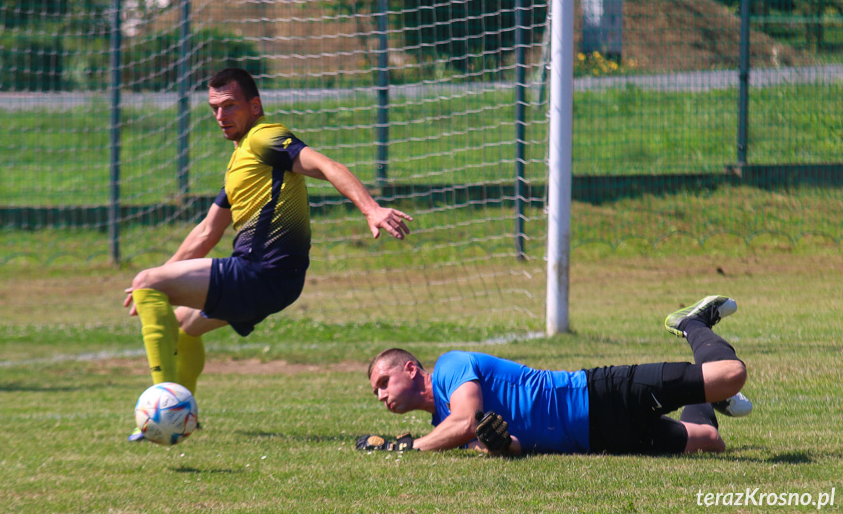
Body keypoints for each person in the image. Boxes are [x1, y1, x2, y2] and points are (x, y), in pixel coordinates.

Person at [126, 67, 412, 441]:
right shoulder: (241, 161)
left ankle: (164, 408)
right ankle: (183, 413)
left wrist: (370, 208)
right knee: (183, 326)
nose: (220, 116)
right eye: (214, 108)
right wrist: (163, 277)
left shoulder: (265, 137)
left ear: (254, 105)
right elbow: (207, 231)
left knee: (146, 282)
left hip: (259, 272)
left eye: (229, 106)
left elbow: (327, 166)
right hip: (271, 282)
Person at [358, 296, 752, 455]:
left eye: (382, 383)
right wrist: (498, 444)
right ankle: (708, 391)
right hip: (598, 438)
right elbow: (507, 445)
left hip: (597, 395)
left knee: (731, 374)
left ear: (411, 369)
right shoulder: (439, 427)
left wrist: (410, 448)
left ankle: (691, 323)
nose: (380, 395)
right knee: (710, 442)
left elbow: (466, 421)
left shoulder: (449, 366)